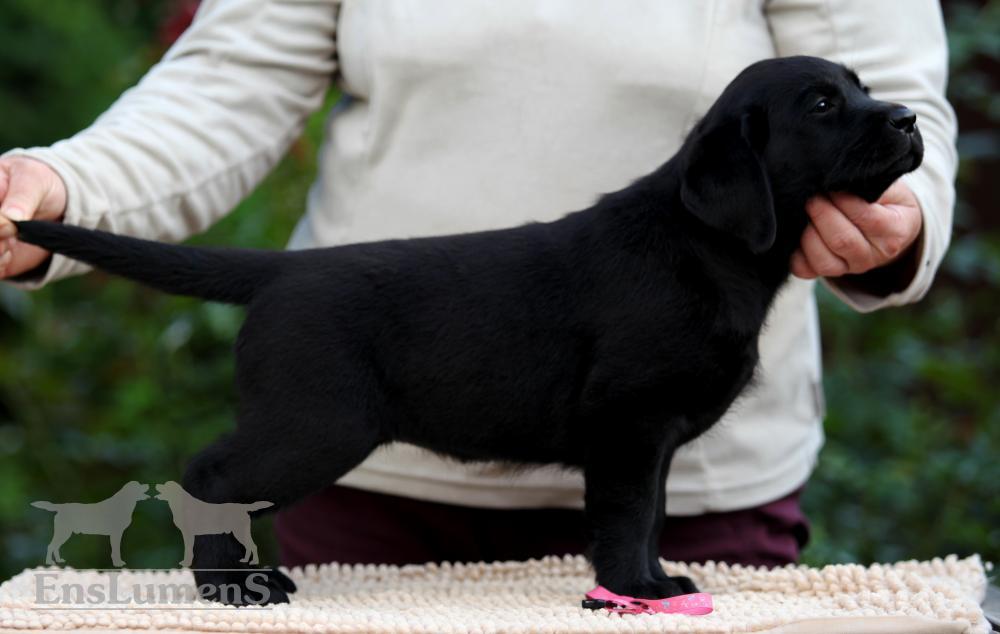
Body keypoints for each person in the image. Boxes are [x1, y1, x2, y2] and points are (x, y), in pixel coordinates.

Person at [0, 0, 956, 569]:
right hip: (374, 476)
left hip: (696, 501)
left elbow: (896, 101)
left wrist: (898, 220)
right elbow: (229, 81)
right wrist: (62, 190)